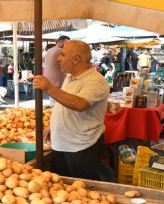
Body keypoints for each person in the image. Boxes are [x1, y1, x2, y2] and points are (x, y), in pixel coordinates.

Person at [33, 40, 109, 180]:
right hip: (62, 144)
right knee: (61, 190)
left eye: (62, 54)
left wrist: (49, 88)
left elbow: (80, 104)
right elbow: (64, 102)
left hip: (81, 147)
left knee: (83, 191)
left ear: (76, 59)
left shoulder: (95, 81)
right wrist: (53, 125)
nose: (58, 58)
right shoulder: (70, 77)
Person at [43, 35, 70, 105]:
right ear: (60, 43)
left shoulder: (49, 51)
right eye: (67, 43)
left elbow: (43, 60)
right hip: (58, 82)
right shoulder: (61, 51)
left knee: (53, 102)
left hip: (49, 81)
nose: (68, 46)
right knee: (58, 105)